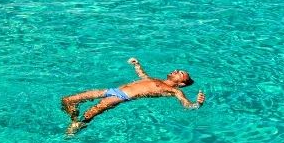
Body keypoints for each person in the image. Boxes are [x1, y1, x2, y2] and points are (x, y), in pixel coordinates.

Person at [61, 58, 206, 134]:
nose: (176, 70)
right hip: (112, 90)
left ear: (181, 84)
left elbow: (186, 104)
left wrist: (197, 104)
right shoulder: (157, 80)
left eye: (180, 73)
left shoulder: (175, 91)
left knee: (89, 114)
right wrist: (137, 65)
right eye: (177, 69)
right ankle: (73, 118)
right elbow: (143, 77)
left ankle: (77, 126)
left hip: (122, 96)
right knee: (68, 100)